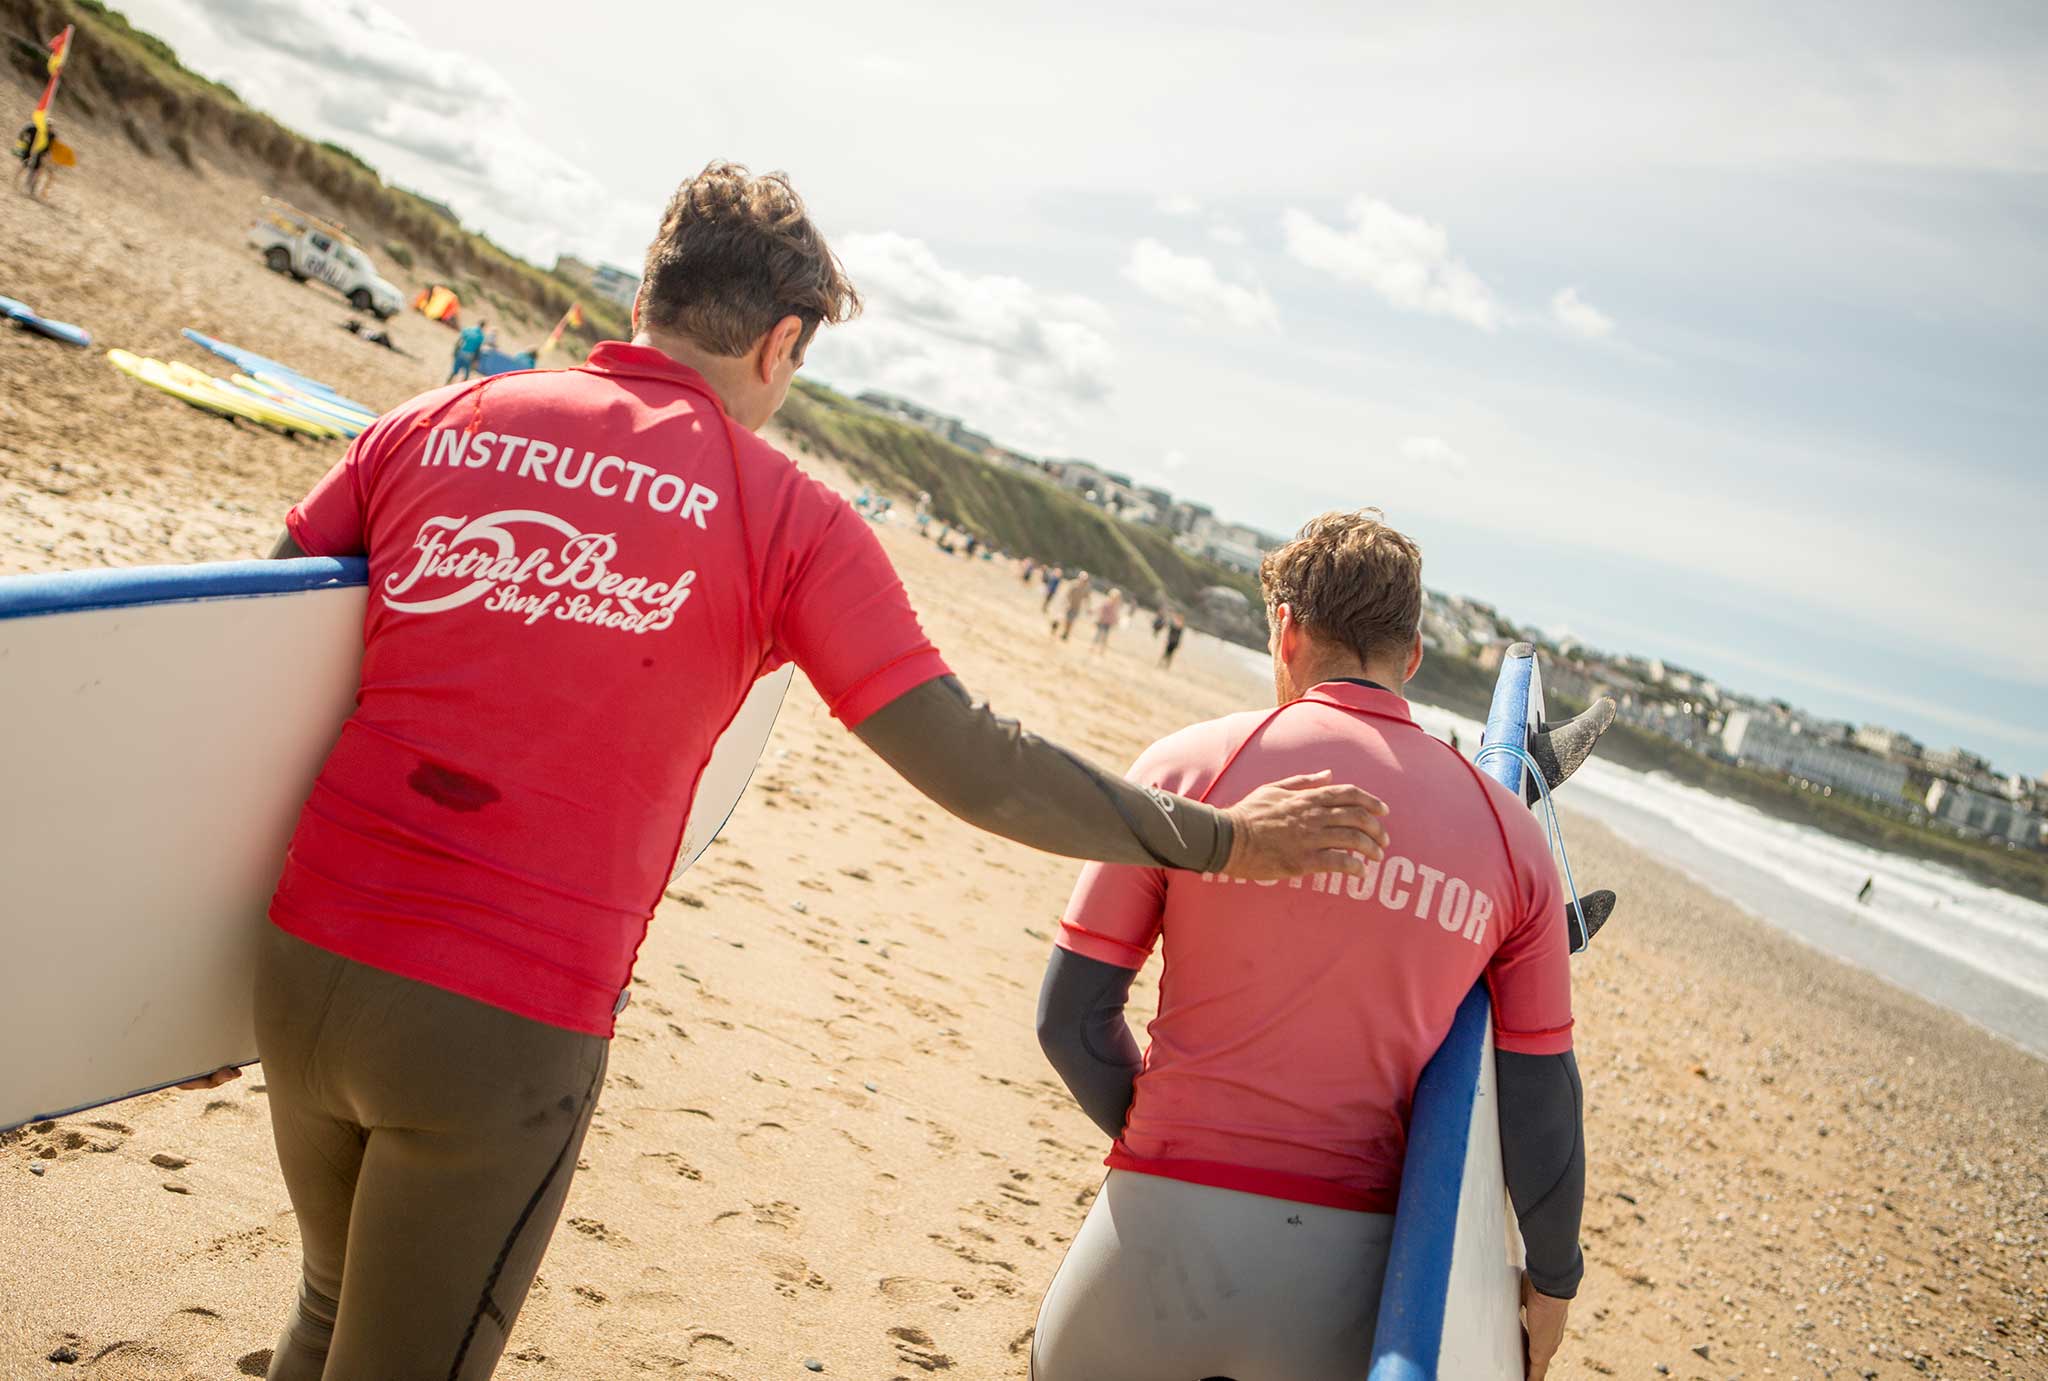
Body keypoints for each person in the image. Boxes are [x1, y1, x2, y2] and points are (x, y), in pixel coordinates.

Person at [204, 162, 1391, 1381]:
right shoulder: (789, 518)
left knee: (325, 1314)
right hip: (497, 1027)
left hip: (300, 963)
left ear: (646, 297)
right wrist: (1225, 838)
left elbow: (244, 632)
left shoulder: (432, 420)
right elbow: (973, 759)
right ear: (780, 343)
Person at [1031, 509, 1584, 1381]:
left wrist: (1167, 1140)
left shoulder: (1184, 768)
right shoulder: (1509, 838)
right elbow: (1538, 1094)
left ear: (1284, 632)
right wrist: (1552, 1281)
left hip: (1141, 1260)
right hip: (1349, 1298)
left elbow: (1070, 1019)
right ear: (1411, 656)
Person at [1059, 571, 1092, 640]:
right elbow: (1068, 594)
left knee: (1071, 621)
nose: (1083, 580)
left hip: (1077, 607)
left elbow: (1087, 598)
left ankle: (1066, 633)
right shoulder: (1073, 583)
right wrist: (1066, 602)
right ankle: (1065, 631)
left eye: (1085, 579)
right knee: (1067, 620)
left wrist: (1088, 608)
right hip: (1069, 605)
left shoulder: (1086, 588)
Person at [1090, 587, 1124, 652]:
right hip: (1102, 621)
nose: (1115, 598)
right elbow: (1100, 608)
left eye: (1117, 597)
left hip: (1108, 623)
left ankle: (1102, 649)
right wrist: (1093, 611)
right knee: (1098, 635)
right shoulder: (1106, 602)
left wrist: (1117, 621)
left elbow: (1115, 615)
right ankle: (1093, 647)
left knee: (1105, 637)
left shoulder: (1116, 606)